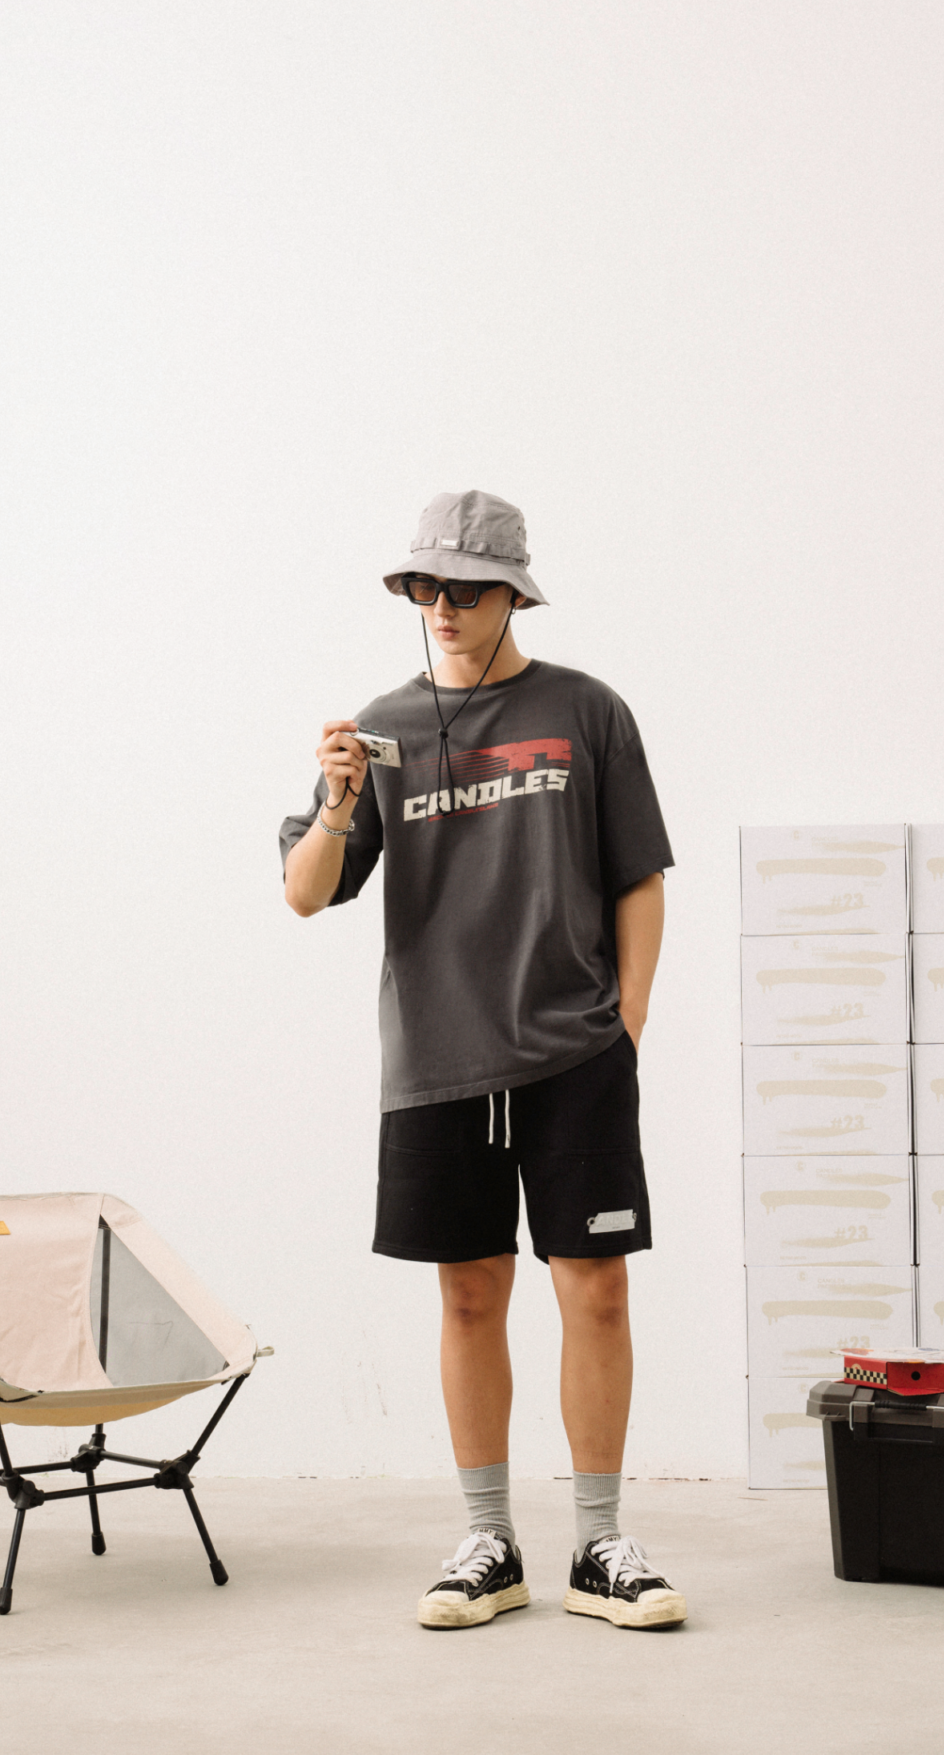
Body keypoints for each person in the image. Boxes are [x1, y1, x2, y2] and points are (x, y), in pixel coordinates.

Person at [280, 489, 684, 1631]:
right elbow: (305, 893)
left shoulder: (585, 711)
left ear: (513, 594)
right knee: (468, 1294)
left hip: (574, 1051)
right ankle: (488, 1543)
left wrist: (626, 1023)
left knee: (595, 1288)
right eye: (424, 587)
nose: (441, 606)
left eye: (464, 587)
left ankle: (599, 1543)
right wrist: (339, 801)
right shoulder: (381, 729)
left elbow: (639, 876)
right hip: (435, 1057)